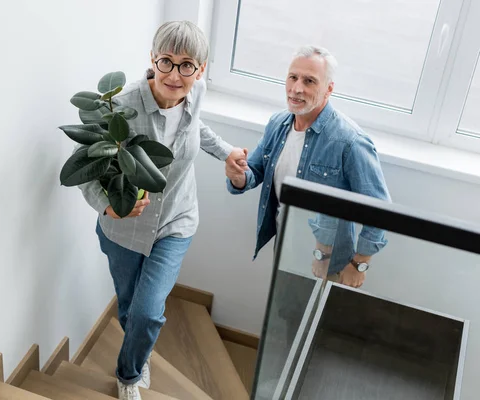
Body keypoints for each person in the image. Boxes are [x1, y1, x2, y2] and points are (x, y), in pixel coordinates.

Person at [78, 21, 247, 400]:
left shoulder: (195, 93)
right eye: (167, 62)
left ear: (200, 69)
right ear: (152, 59)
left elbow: (195, 128)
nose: (175, 74)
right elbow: (86, 168)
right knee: (130, 307)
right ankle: (139, 348)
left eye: (187, 65)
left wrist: (227, 152)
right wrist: (109, 206)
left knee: (148, 311)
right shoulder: (121, 108)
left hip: (176, 221)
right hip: (123, 230)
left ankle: (128, 373)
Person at [225, 45, 391, 289]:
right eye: (293, 77)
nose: (297, 88)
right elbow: (255, 171)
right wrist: (237, 175)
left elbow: (380, 210)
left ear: (328, 89)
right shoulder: (278, 123)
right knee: (284, 317)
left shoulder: (350, 141)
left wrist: (359, 263)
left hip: (330, 263)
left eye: (309, 81)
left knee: (317, 324)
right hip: (285, 248)